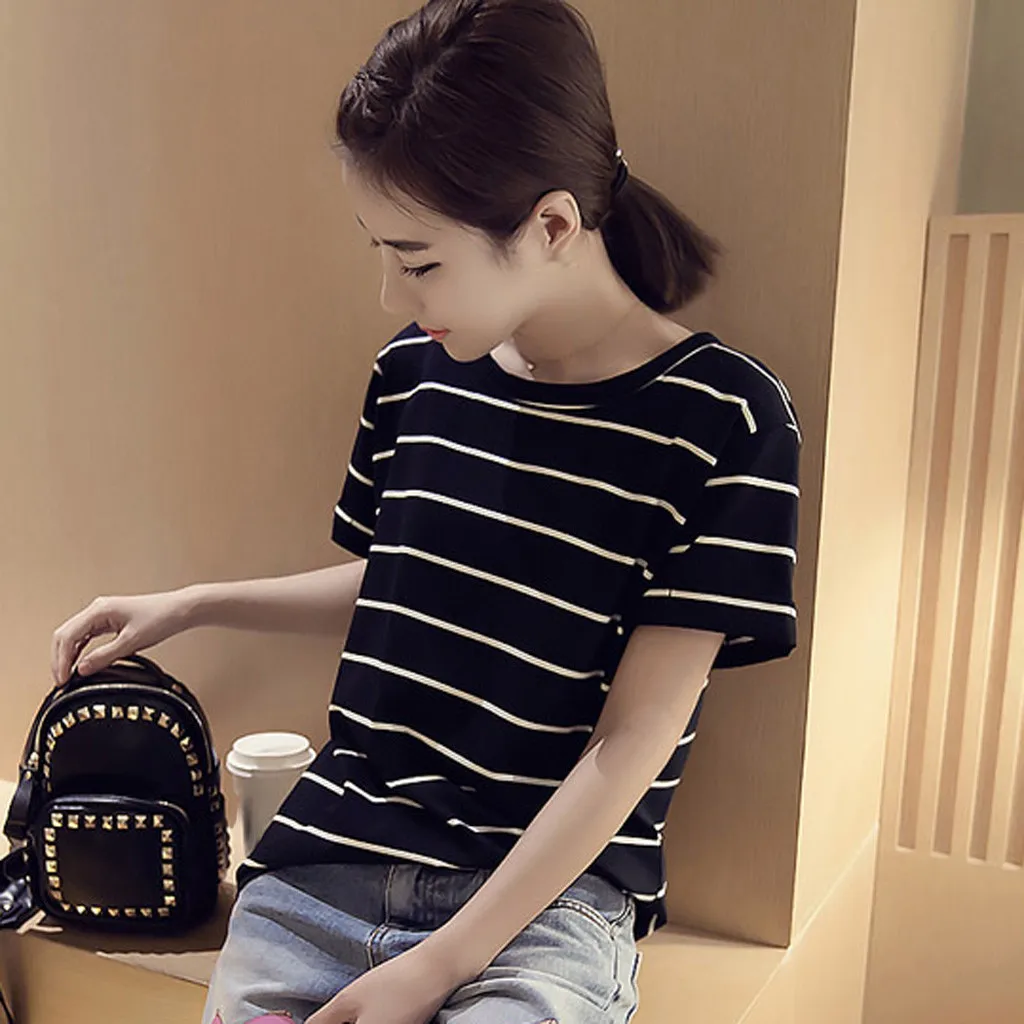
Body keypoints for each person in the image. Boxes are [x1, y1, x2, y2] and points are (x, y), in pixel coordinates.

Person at [50, 1, 801, 1022]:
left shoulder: (725, 418)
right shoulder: (415, 373)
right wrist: (190, 604)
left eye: (417, 260)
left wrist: (434, 966)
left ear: (551, 226)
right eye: (382, 251)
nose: (391, 296)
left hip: (545, 909)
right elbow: (408, 583)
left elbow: (636, 738)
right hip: (326, 872)